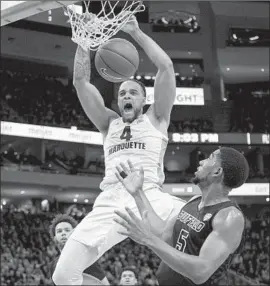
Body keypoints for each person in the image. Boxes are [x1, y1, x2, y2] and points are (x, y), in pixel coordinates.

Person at [52, 15, 185, 286]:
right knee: (63, 276)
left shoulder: (156, 117)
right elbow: (80, 82)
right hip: (111, 199)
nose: (126, 96)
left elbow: (166, 67)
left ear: (144, 99)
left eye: (132, 93)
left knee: (202, 223)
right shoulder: (108, 123)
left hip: (150, 194)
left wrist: (136, 32)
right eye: (122, 92)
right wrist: (83, 40)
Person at [114, 147, 249, 285]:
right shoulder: (194, 201)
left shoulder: (230, 216)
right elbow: (163, 235)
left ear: (217, 171)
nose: (202, 161)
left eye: (210, 158)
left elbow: (200, 272)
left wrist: (148, 239)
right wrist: (138, 193)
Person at [49, 214, 109, 285]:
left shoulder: (85, 258)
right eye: (59, 231)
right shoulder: (53, 265)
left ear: (74, 234)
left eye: (67, 230)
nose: (63, 233)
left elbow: (104, 284)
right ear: (55, 238)